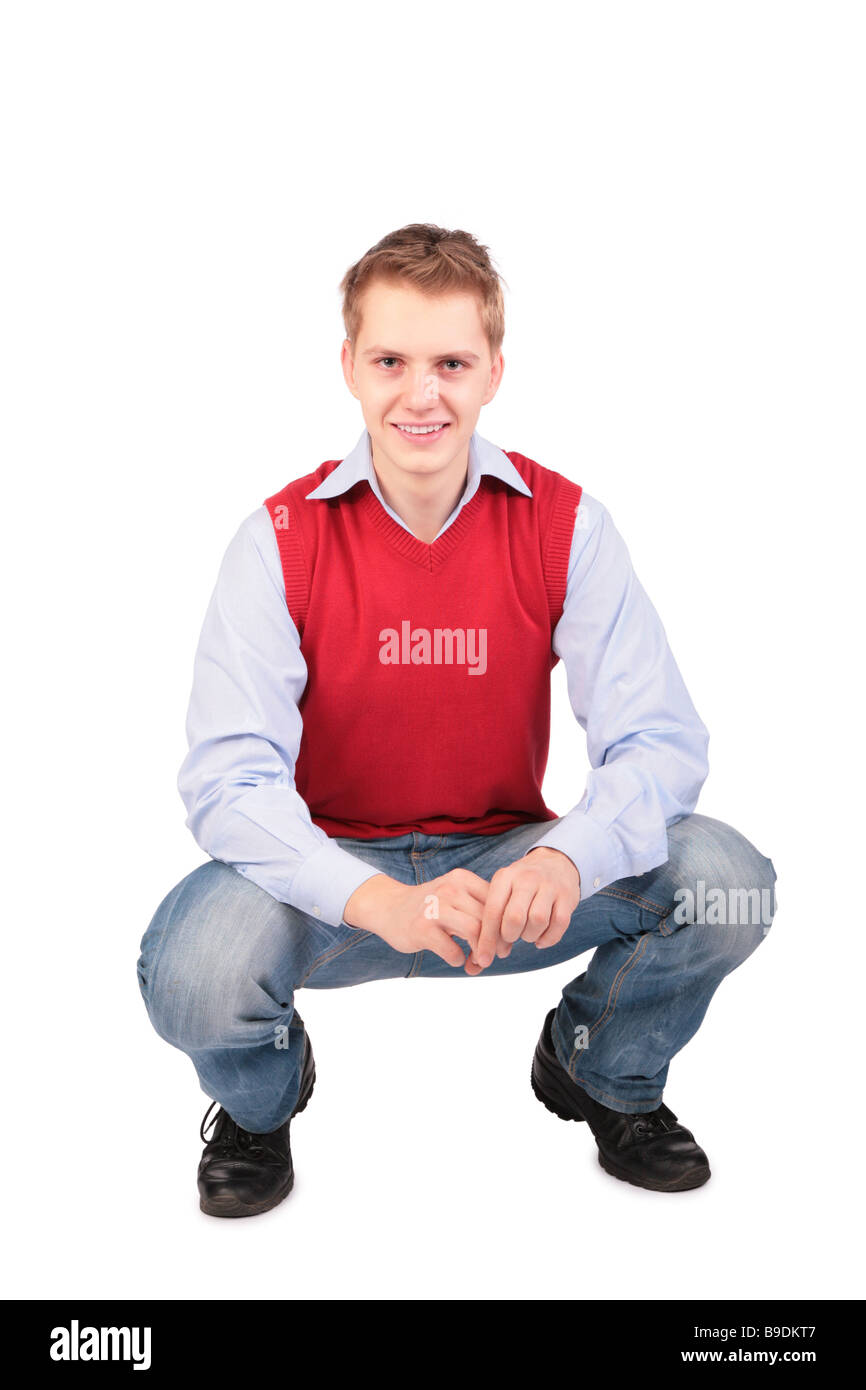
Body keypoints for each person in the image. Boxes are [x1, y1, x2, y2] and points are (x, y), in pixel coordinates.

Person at [137, 222, 776, 1218]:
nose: (420, 392)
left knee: (726, 881)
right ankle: (262, 1099)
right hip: (332, 887)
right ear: (348, 365)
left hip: (506, 874)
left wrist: (562, 859)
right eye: (390, 360)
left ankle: (597, 1067)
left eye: (450, 362)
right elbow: (230, 783)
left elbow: (656, 738)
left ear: (492, 373)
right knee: (195, 966)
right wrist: (376, 900)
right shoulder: (279, 538)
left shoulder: (565, 524)